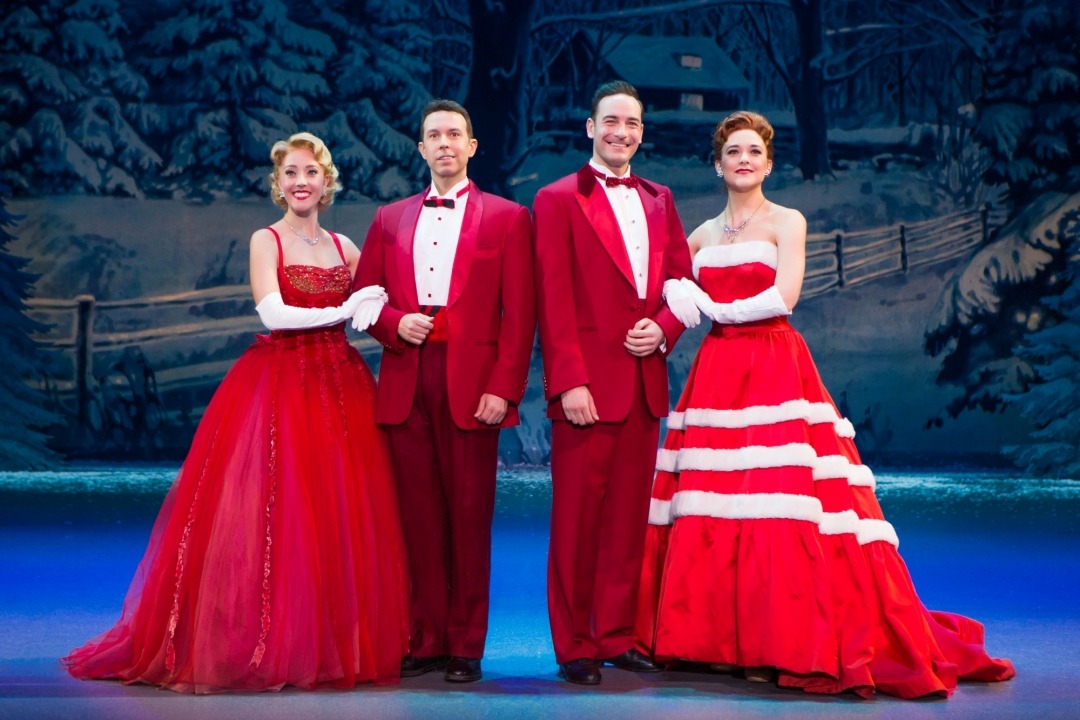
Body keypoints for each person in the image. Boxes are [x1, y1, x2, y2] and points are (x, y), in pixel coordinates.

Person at [635, 111, 1016, 698]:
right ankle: (713, 641)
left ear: (767, 162)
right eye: (732, 151)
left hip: (772, 365)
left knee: (778, 504)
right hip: (716, 376)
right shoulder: (702, 236)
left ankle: (779, 641)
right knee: (715, 506)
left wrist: (714, 308)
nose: (743, 159)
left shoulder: (788, 220)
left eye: (753, 152)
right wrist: (669, 308)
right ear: (717, 164)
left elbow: (782, 295)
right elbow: (673, 291)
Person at [62, 132, 410, 693]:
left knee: (336, 515)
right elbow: (274, 314)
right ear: (278, 185)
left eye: (310, 172)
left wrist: (377, 309)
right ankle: (263, 640)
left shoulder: (346, 247)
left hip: (341, 388)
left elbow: (376, 304)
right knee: (277, 513)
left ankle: (327, 642)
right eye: (290, 173)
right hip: (281, 386)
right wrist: (348, 305)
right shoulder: (265, 240)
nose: (301, 182)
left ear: (328, 182)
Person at [353, 99, 535, 684]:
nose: (445, 144)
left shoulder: (508, 217)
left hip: (473, 385)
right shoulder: (389, 218)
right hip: (408, 377)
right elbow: (365, 299)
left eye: (455, 134)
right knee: (418, 519)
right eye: (434, 135)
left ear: (472, 146)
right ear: (421, 148)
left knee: (468, 517)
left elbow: (519, 315)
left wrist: (504, 389)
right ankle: (425, 637)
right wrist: (391, 325)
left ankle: (465, 645)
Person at [533, 80, 696, 685]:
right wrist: (568, 382)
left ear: (642, 133)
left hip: (642, 381)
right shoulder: (555, 199)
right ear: (589, 127)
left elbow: (682, 281)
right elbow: (550, 299)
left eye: (631, 123)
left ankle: (616, 634)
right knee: (578, 521)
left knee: (629, 519)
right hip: (586, 388)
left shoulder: (659, 197)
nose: (620, 131)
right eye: (610, 121)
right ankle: (575, 644)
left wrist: (665, 328)